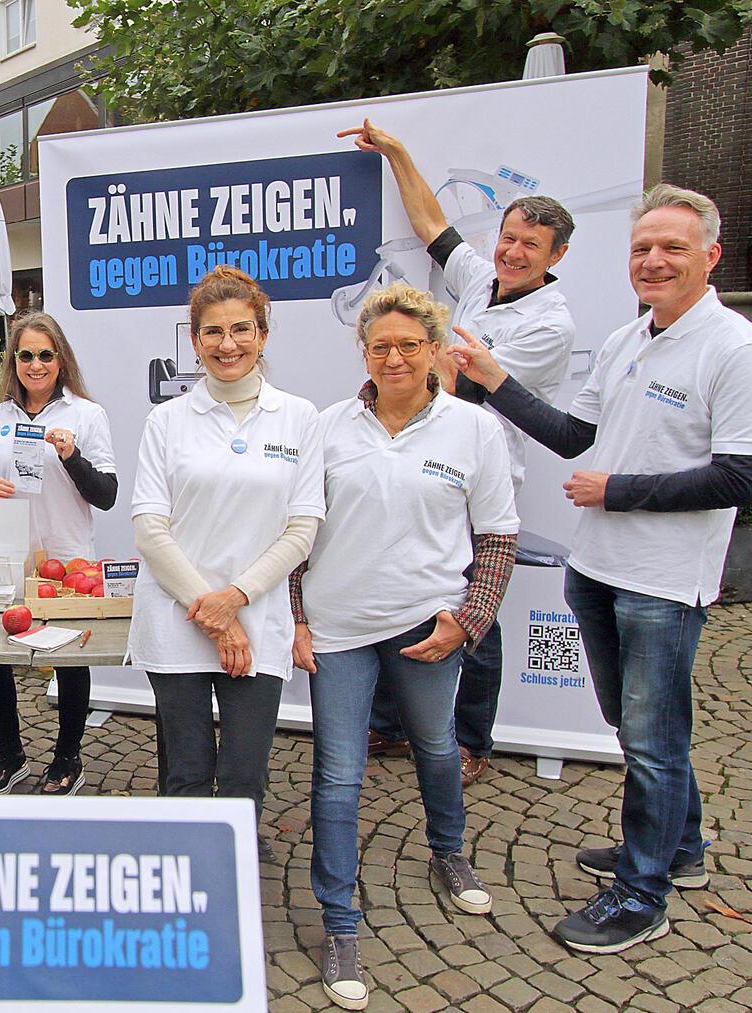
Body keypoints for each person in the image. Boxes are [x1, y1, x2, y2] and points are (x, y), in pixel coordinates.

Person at [451, 184, 752, 955]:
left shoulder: (732, 346)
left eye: (672, 248)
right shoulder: (626, 340)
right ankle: (678, 851)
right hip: (597, 563)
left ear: (710, 257)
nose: (652, 260)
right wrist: (493, 380)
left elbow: (742, 475)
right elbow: (572, 435)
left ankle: (642, 891)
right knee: (635, 727)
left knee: (653, 739)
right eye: (642, 248)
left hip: (662, 577)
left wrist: (619, 492)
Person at [292, 283, 519, 1011]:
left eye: (408, 344)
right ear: (363, 351)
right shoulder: (327, 427)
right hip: (340, 628)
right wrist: (297, 618)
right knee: (336, 774)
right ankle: (339, 922)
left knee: (437, 745)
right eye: (379, 344)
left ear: (434, 349)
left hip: (429, 626)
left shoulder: (473, 430)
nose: (393, 356)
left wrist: (469, 618)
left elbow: (498, 536)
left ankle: (449, 852)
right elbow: (298, 533)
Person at [338, 119, 577, 784]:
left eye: (532, 245)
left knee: (475, 611)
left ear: (554, 256)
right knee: (400, 582)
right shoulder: (481, 281)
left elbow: (457, 380)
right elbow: (432, 224)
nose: (514, 251)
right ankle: (389, 722)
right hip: (422, 459)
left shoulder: (551, 324)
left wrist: (399, 338)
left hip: (480, 475)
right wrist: (397, 153)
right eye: (509, 237)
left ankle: (471, 738)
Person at [128, 266, 325, 849]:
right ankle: (184, 901)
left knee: (244, 776)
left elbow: (302, 529)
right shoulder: (167, 420)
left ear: (264, 335)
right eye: (212, 332)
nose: (228, 344)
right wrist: (210, 609)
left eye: (242, 330)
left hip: (257, 621)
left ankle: (229, 902)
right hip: (177, 621)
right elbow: (149, 529)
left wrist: (233, 600)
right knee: (184, 775)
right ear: (194, 341)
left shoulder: (299, 417)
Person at [0, 311, 118, 795]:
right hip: (8, 555)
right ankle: (10, 752)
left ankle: (67, 756)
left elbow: (107, 494)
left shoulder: (86, 415)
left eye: (45, 355)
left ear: (61, 360)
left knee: (69, 658)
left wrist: (71, 457)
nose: (35, 365)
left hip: (67, 556)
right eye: (26, 355)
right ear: (14, 361)